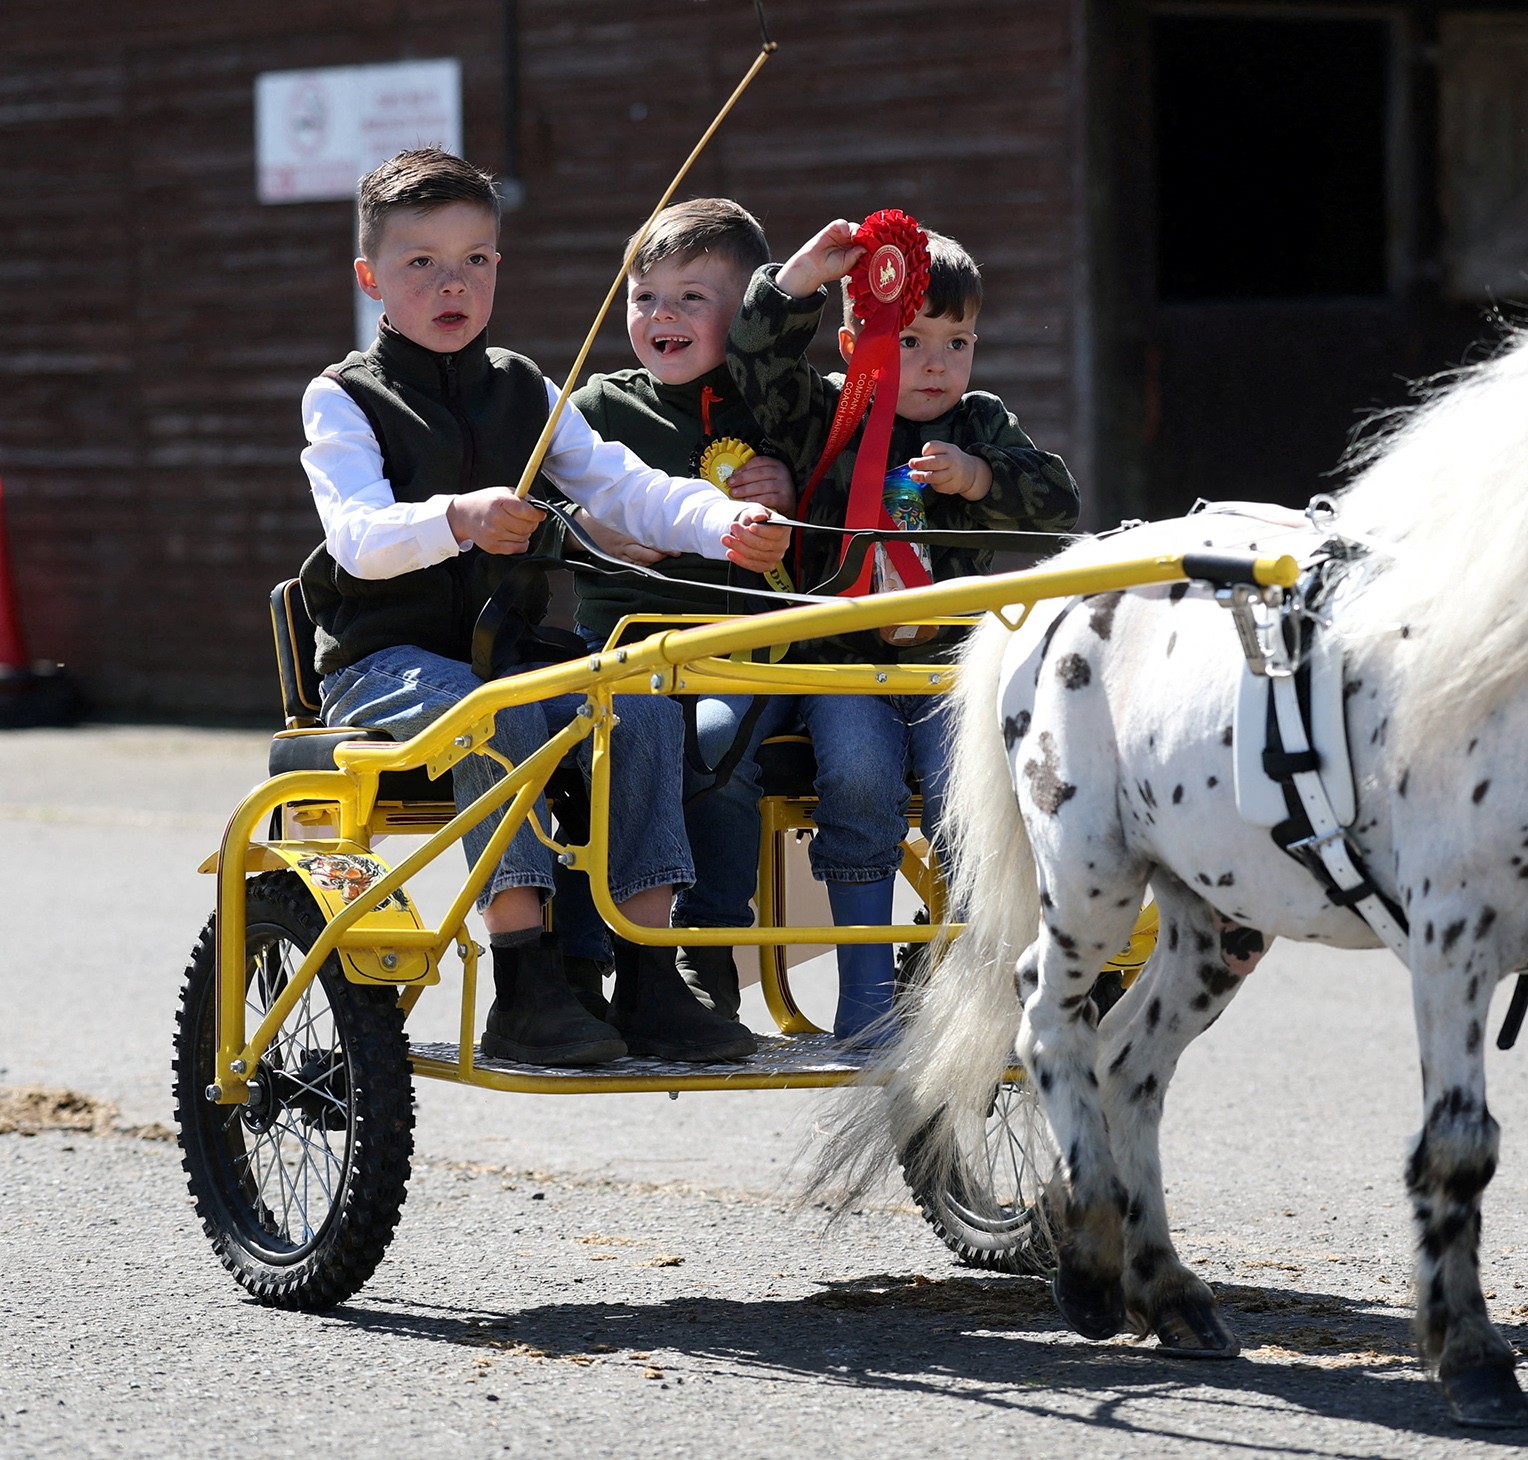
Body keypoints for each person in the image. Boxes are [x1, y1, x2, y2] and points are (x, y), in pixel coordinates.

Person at [298, 148, 788, 1066]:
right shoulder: (343, 398)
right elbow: (358, 536)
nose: (454, 284)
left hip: (506, 655)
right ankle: (524, 978)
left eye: (476, 259)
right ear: (371, 279)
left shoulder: (524, 386)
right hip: (382, 667)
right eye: (421, 264)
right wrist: (461, 517)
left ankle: (647, 972)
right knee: (503, 712)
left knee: (640, 711)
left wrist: (725, 521)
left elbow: (624, 488)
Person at [728, 218, 1081, 1041]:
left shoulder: (980, 421)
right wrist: (796, 282)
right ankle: (864, 989)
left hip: (948, 672)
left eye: (956, 343)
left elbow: (1058, 501)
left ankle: (962, 980)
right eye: (912, 339)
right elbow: (757, 365)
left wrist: (982, 475)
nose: (935, 364)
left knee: (969, 805)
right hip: (840, 664)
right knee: (855, 784)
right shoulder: (827, 412)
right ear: (855, 340)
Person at [558, 197, 799, 1024]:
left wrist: (793, 491)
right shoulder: (592, 412)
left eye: (692, 297)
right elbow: (543, 517)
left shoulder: (780, 408)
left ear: (748, 313)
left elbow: (850, 506)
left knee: (714, 746)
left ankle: (707, 954)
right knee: (591, 755)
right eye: (643, 295)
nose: (661, 314)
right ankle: (578, 964)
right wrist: (590, 532)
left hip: (749, 647)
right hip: (621, 647)